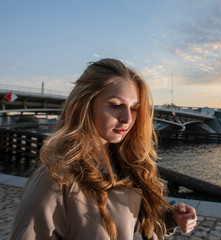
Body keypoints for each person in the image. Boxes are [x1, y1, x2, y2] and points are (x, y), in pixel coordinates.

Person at [11, 58, 197, 239]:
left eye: (134, 108)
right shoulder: (57, 178)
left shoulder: (130, 163)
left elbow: (132, 225)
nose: (128, 118)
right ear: (84, 105)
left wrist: (170, 217)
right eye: (116, 105)